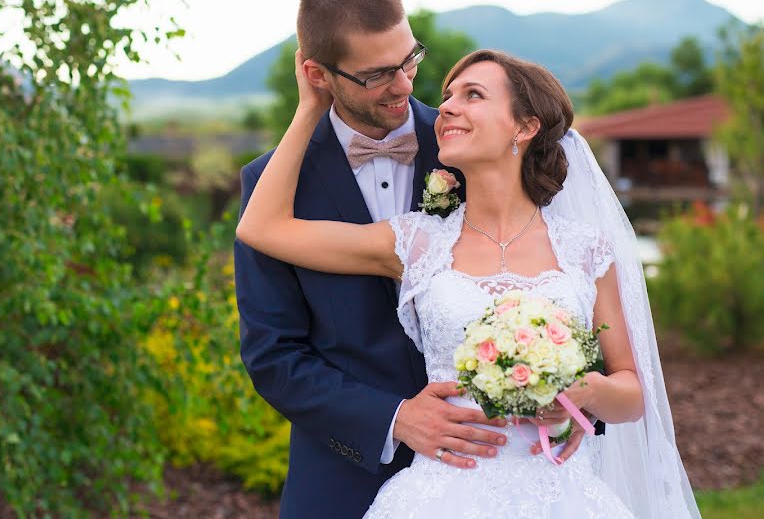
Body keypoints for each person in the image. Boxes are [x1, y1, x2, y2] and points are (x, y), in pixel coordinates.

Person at [236, 44, 700, 517]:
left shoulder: (585, 250)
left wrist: (584, 394)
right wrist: (312, 106)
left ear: (524, 126)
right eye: (448, 95)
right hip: (442, 495)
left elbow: (632, 392)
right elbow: (261, 228)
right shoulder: (416, 242)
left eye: (473, 94)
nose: (447, 107)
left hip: (562, 495)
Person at [235, 0, 591, 519]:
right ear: (318, 74)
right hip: (343, 477)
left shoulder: (476, 143)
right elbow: (273, 355)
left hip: (505, 468)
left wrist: (567, 398)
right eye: (378, 73)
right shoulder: (271, 189)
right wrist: (393, 417)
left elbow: (558, 286)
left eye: (409, 60)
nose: (404, 84)